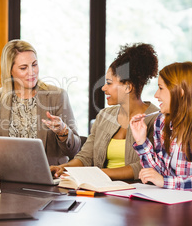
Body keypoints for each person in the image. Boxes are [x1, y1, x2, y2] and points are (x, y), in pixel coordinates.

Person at [51, 43, 159, 180]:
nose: (103, 88)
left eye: (109, 83)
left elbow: (143, 167)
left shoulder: (156, 119)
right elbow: (85, 157)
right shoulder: (104, 116)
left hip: (134, 194)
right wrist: (63, 168)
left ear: (127, 87)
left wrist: (96, 174)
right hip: (100, 190)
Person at [0, 39, 81, 165]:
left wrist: (63, 132)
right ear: (10, 71)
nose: (32, 72)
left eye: (34, 64)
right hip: (8, 175)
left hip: (49, 176)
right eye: (23, 68)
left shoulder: (57, 96)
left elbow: (74, 150)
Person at [130, 62, 192, 190]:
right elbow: (159, 173)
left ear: (180, 92)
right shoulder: (162, 122)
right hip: (171, 201)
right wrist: (141, 141)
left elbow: (162, 180)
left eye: (161, 88)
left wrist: (165, 181)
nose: (156, 95)